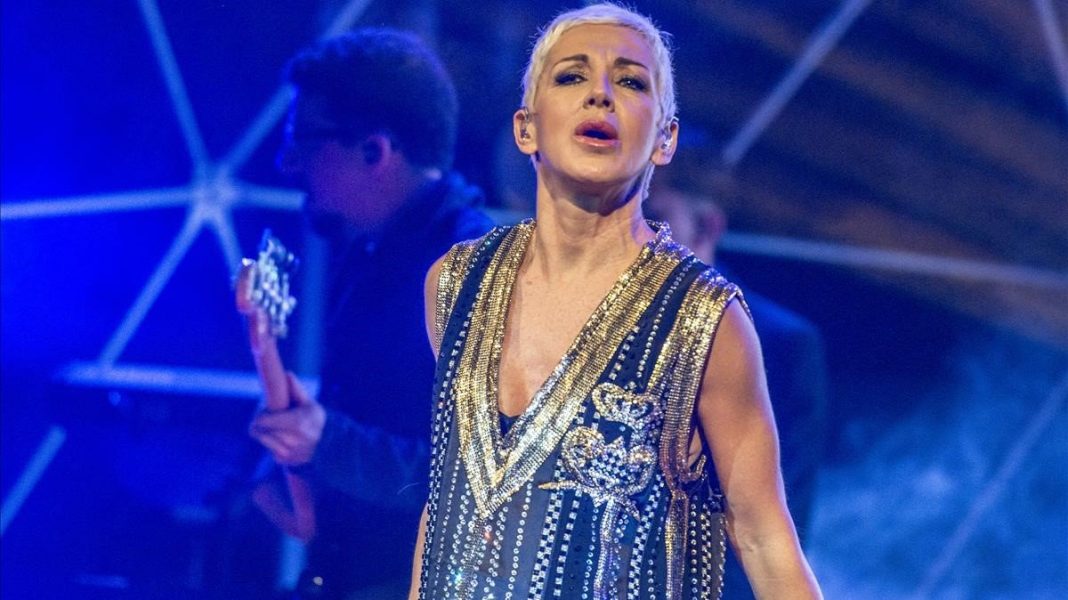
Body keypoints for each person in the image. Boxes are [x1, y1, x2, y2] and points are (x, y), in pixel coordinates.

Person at [411, 4, 822, 599]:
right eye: (572, 76)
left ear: (664, 139)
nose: (600, 94)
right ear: (526, 128)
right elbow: (447, 502)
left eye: (630, 82)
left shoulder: (704, 319)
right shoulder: (454, 284)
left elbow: (764, 537)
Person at [246, 28, 493, 599]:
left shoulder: (473, 272)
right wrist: (298, 464)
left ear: (374, 151)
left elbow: (481, 479)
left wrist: (327, 444)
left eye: (302, 140)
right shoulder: (370, 252)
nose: (287, 162)